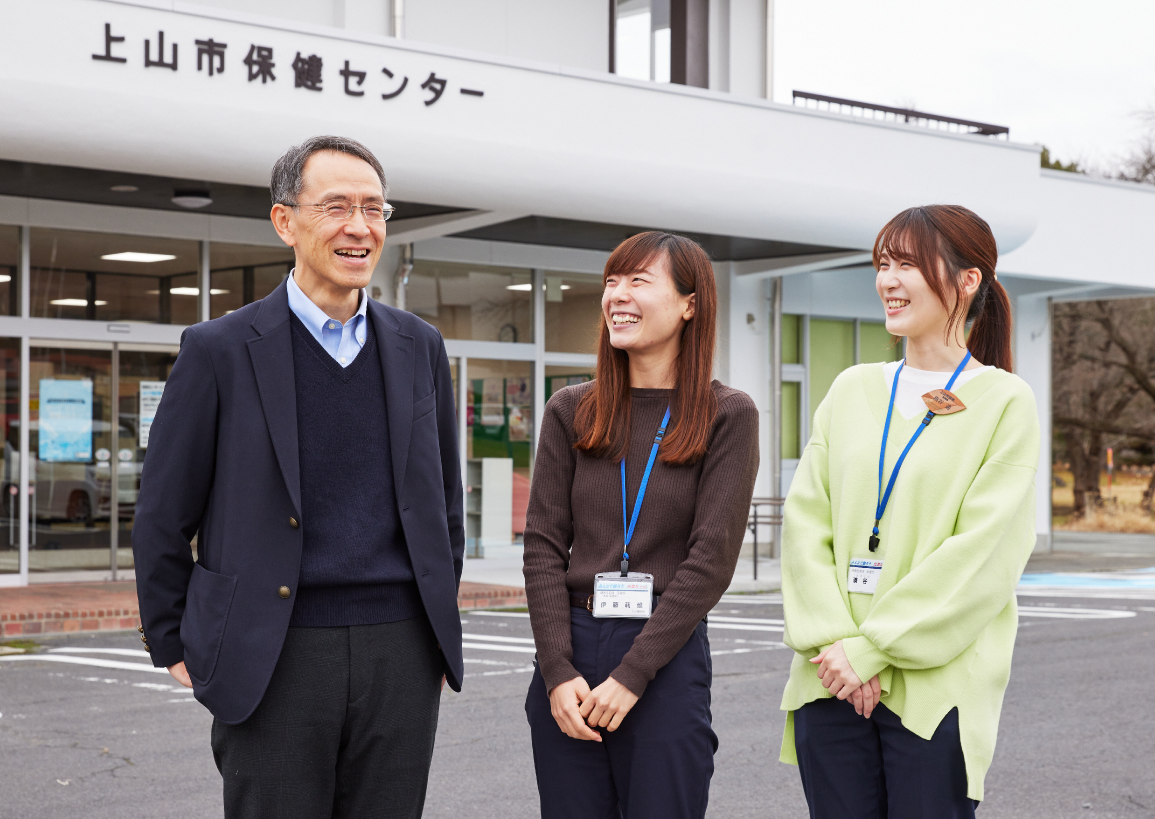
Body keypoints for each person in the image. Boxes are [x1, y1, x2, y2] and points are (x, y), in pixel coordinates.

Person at [133, 135, 465, 819]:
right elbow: (165, 512)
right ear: (285, 221)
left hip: (399, 647)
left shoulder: (418, 347)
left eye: (375, 208)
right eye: (337, 206)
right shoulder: (219, 350)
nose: (359, 226)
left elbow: (444, 505)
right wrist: (172, 638)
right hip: (272, 651)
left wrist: (435, 626)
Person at [779, 205, 1039, 817]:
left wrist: (872, 650)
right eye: (882, 264)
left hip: (934, 691)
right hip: (829, 676)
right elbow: (805, 524)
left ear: (967, 280)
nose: (887, 281)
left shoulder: (1004, 401)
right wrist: (840, 647)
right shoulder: (852, 388)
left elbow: (984, 555)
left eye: (906, 264)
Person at [523, 231, 759, 818]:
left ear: (689, 303)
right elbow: (544, 547)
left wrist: (632, 674)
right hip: (571, 655)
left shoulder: (727, 414)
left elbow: (711, 561)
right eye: (611, 282)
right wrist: (556, 670)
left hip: (663, 656)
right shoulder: (570, 409)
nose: (617, 296)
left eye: (638, 281)